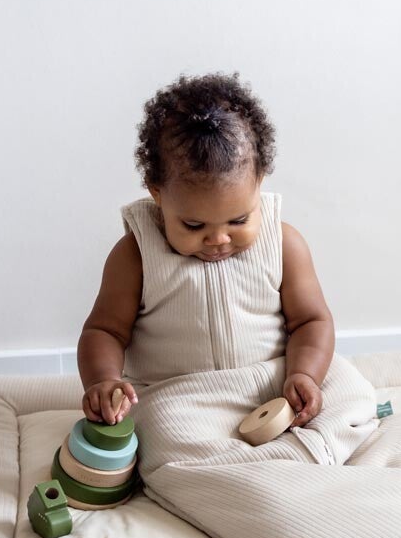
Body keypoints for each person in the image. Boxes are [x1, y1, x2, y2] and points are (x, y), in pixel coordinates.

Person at [77, 70, 334, 431]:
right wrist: (104, 381)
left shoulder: (283, 244)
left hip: (273, 386)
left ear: (259, 182)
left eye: (238, 220)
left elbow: (311, 321)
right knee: (160, 429)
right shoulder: (136, 256)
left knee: (347, 391)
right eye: (194, 225)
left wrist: (305, 374)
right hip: (181, 398)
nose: (219, 239)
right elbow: (105, 331)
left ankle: (306, 440)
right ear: (157, 193)